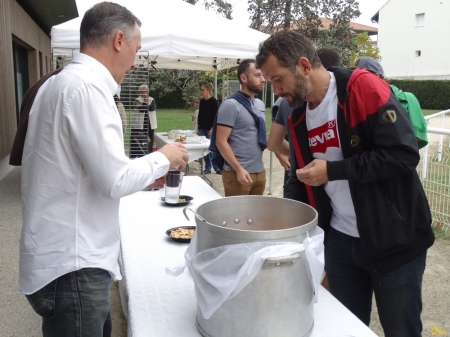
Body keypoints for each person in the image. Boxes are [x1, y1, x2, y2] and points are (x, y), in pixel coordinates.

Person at [19, 3, 188, 336]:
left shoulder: (60, 83)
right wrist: (164, 157)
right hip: (75, 266)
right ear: (119, 41)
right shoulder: (88, 89)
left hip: (66, 261)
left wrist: (144, 170)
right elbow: (114, 180)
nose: (135, 61)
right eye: (136, 50)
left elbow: (83, 169)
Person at [256, 30, 434, 337]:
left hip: (395, 238)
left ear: (303, 65)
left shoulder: (362, 87)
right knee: (343, 329)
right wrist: (289, 232)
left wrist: (334, 170)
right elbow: (300, 179)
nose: (276, 89)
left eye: (278, 79)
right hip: (339, 242)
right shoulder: (297, 116)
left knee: (401, 330)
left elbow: (403, 155)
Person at [215, 59, 267, 196]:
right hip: (237, 174)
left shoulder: (260, 104)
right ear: (244, 78)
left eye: (263, 75)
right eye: (257, 75)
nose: (263, 79)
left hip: (259, 172)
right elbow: (220, 141)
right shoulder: (230, 105)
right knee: (237, 217)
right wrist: (238, 169)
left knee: (256, 216)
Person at [355, 56, 428, 149]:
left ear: (376, 76)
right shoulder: (355, 99)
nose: (355, 78)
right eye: (353, 74)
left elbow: (417, 138)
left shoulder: (407, 98)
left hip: (397, 159)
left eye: (361, 75)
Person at [198, 83, 221, 174]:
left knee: (211, 148)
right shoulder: (202, 101)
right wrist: (199, 124)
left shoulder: (213, 101)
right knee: (204, 148)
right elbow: (200, 113)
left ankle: (216, 167)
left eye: (203, 89)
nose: (201, 91)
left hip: (210, 128)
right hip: (202, 128)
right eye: (201, 89)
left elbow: (216, 116)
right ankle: (208, 167)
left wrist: (212, 128)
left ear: (208, 90)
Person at [132, 84, 157, 157]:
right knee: (141, 140)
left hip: (150, 123)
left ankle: (150, 154)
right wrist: (146, 105)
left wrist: (143, 105)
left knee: (151, 140)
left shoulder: (151, 99)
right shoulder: (137, 100)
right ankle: (141, 155)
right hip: (140, 124)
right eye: (142, 92)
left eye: (145, 92)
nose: (144, 94)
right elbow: (141, 109)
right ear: (139, 92)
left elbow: (152, 108)